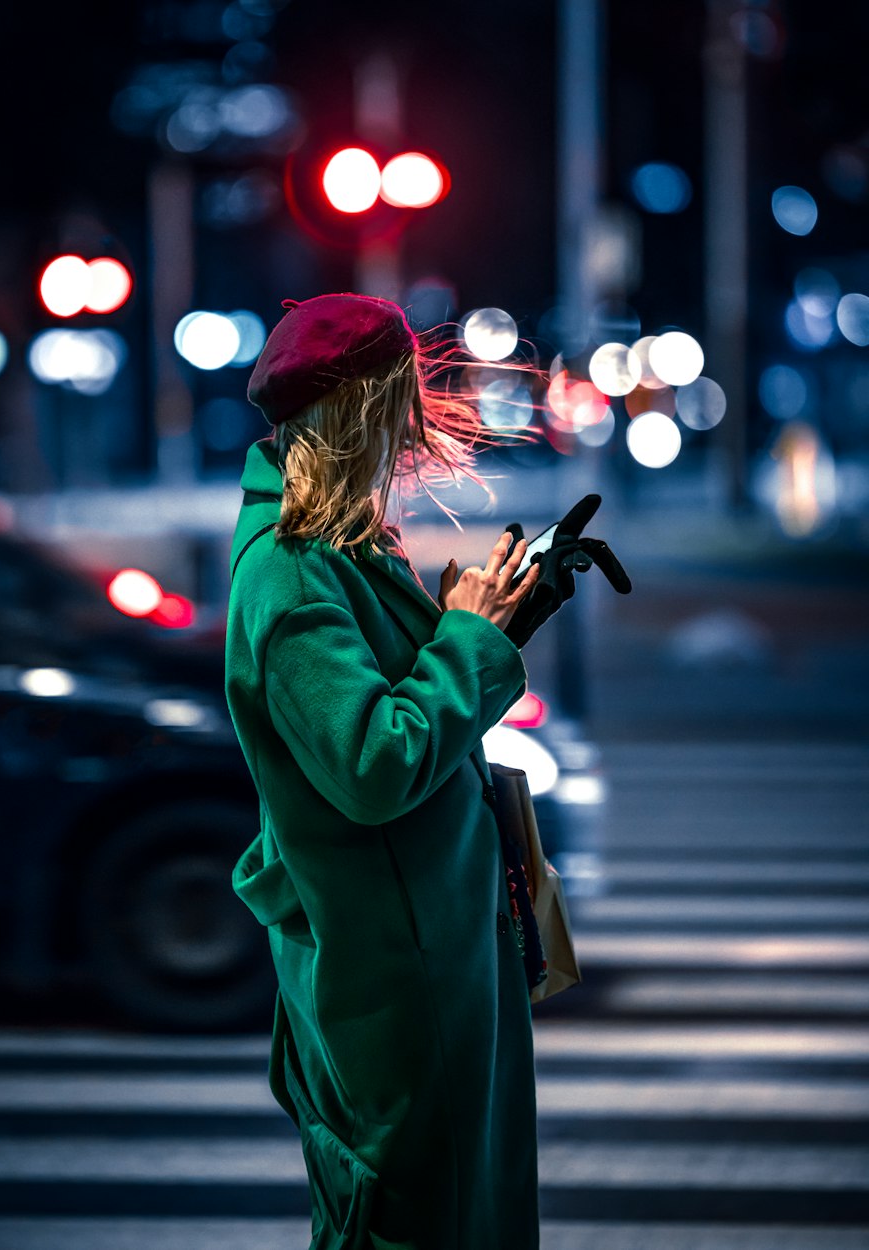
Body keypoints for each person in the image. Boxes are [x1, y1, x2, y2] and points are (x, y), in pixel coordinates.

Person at [225, 292, 544, 1250]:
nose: (412, 432)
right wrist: (469, 641)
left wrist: (474, 626)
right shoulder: (290, 573)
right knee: (415, 1221)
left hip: (421, 953)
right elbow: (374, 762)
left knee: (454, 1210)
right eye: (399, 404)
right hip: (393, 978)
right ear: (363, 412)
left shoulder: (337, 543)